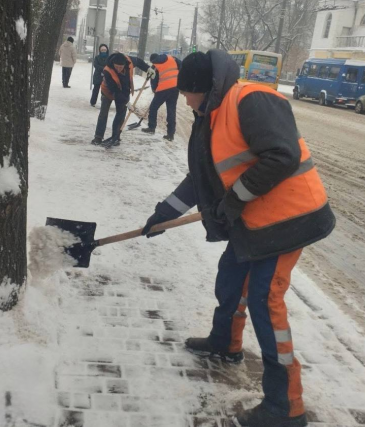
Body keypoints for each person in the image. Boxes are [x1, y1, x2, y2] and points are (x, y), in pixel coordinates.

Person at [140, 50, 336, 427]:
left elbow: (283, 156)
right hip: (257, 220)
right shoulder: (209, 115)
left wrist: (233, 200)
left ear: (202, 89)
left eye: (187, 93)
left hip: (290, 219)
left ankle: (285, 405)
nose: (184, 100)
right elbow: (202, 178)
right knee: (230, 276)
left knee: (265, 301)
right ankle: (225, 343)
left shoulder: (252, 100)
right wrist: (164, 213)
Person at [91, 52, 149, 148]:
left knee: (121, 115)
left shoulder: (129, 62)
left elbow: (138, 61)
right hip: (108, 92)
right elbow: (115, 91)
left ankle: (116, 137)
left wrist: (149, 69)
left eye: (120, 67)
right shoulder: (107, 71)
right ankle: (98, 137)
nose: (118, 69)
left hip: (124, 91)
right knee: (103, 114)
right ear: (113, 63)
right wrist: (127, 102)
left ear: (124, 64)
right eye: (116, 66)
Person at [142, 53, 181, 141]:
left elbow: (154, 80)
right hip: (175, 88)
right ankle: (170, 134)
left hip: (163, 89)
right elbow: (182, 66)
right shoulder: (172, 58)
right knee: (171, 110)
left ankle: (151, 127)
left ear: (152, 60)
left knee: (153, 107)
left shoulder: (154, 65)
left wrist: (154, 89)